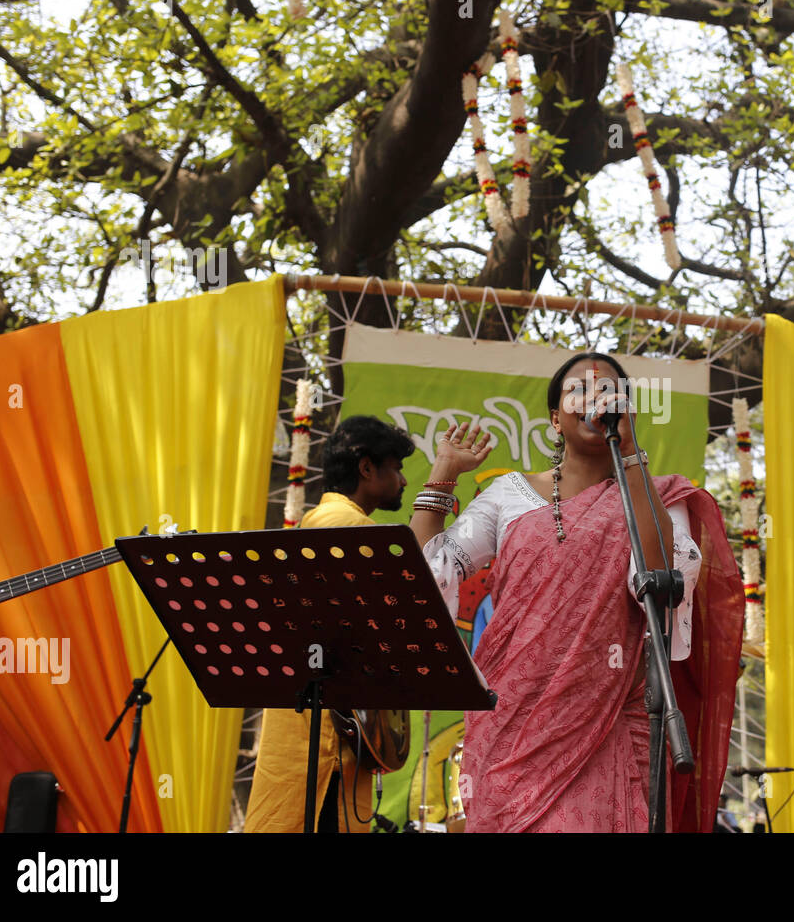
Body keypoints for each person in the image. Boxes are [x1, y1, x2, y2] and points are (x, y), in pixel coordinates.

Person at [409, 352, 745, 832]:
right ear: (554, 421)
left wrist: (629, 456)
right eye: (580, 391)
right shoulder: (510, 494)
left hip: (607, 726)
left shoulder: (661, 498)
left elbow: (660, 577)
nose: (596, 399)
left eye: (609, 391)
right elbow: (428, 572)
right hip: (511, 722)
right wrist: (442, 473)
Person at [245, 415, 415, 833]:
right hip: (323, 752)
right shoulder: (354, 527)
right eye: (396, 467)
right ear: (366, 468)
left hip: (308, 743)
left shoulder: (315, 521)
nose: (404, 480)